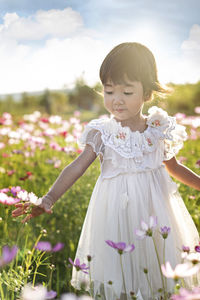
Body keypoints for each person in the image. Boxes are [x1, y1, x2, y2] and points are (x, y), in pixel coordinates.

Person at [12, 42, 200, 300]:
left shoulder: (158, 128)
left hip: (157, 214)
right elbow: (76, 166)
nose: (116, 100)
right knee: (122, 278)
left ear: (147, 94)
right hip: (117, 218)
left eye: (127, 91)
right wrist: (48, 199)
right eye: (109, 91)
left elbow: (175, 167)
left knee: (158, 275)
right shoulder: (103, 133)